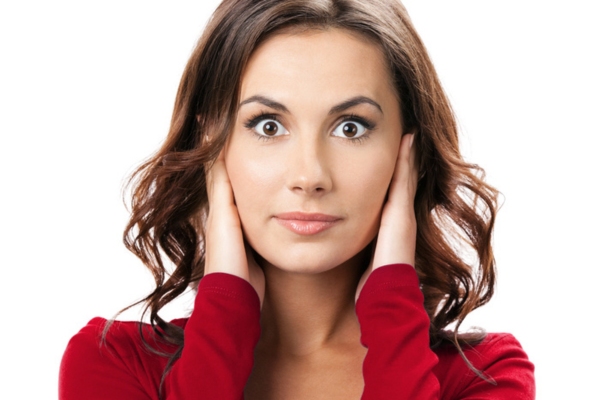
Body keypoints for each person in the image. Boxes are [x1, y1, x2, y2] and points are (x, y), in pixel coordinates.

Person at [59, 0, 535, 398]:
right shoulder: (115, 364)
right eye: (268, 125)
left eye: (351, 127)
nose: (310, 176)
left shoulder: (483, 376)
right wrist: (225, 311)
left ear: (407, 149)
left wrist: (393, 303)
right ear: (212, 146)